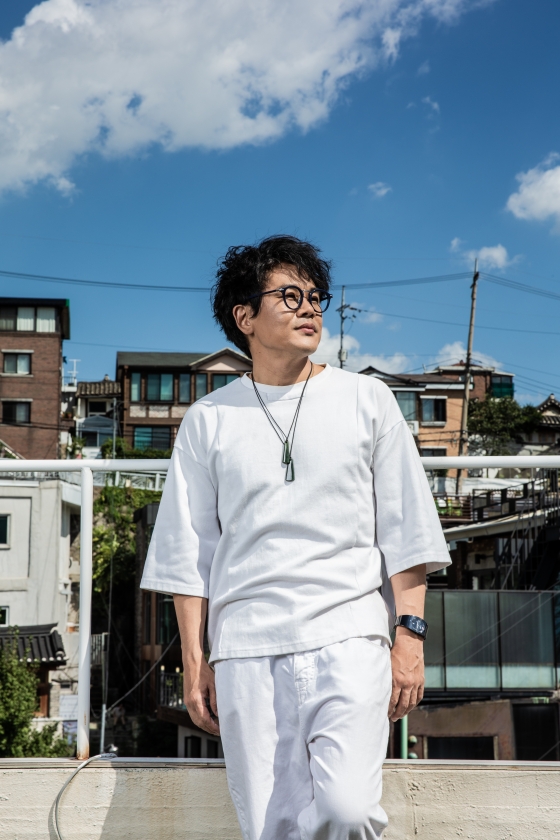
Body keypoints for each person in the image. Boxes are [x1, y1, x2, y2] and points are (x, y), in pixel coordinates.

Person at [141, 235, 450, 840]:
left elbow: (407, 529)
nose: (310, 307)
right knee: (271, 826)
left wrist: (409, 638)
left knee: (347, 810)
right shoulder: (209, 420)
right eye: (289, 295)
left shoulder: (366, 399)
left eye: (315, 296)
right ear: (245, 317)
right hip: (246, 646)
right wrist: (195, 663)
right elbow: (189, 552)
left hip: (350, 633)